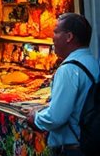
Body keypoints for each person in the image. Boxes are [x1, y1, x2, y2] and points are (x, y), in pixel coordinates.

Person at [28, 13, 99, 154]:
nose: (52, 37)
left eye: (56, 32)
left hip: (76, 148)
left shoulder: (68, 70)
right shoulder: (93, 62)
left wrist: (35, 118)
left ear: (68, 37)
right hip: (90, 142)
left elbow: (56, 117)